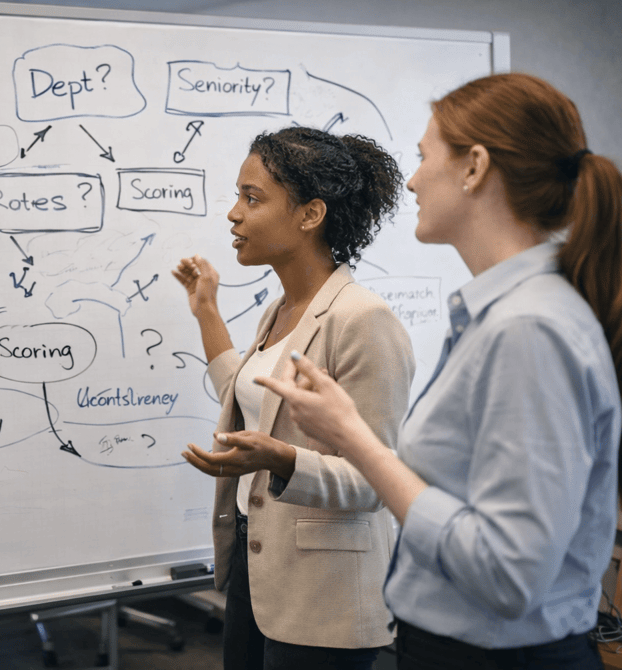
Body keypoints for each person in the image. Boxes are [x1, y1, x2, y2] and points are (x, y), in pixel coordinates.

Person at [259, 73, 622, 670]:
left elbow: (507, 572)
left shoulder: (528, 328)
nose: (412, 179)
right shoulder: (502, 314)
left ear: (475, 167)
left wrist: (355, 439)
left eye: (425, 156)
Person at [173, 126, 415, 669]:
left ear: (310, 214)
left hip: (323, 599)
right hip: (258, 573)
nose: (233, 214)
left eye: (251, 197)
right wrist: (207, 310)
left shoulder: (362, 319)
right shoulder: (280, 309)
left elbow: (374, 481)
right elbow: (252, 396)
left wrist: (277, 458)